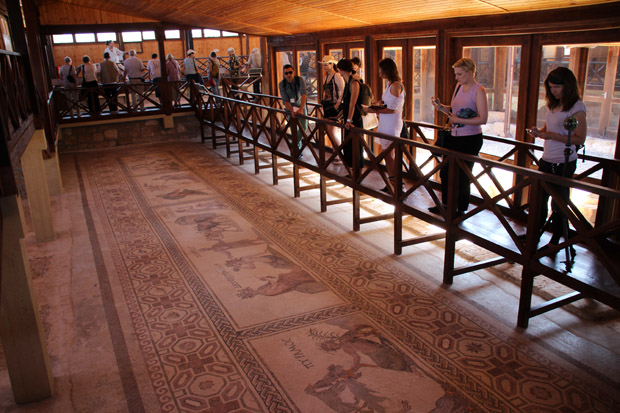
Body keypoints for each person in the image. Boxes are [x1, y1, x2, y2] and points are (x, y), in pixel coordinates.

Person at [527, 67, 587, 248]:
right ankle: (534, 235)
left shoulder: (577, 107)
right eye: (551, 87)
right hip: (547, 158)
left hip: (563, 161)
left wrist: (551, 136)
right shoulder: (555, 104)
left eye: (557, 87)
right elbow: (550, 127)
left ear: (567, 86)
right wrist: (539, 131)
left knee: (559, 204)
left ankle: (555, 241)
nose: (553, 91)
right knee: (539, 200)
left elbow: (579, 138)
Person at [430, 57, 488, 216]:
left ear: (470, 72)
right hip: (454, 136)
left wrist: (459, 120)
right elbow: (454, 111)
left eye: (459, 74)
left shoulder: (479, 91)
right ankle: (446, 205)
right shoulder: (458, 87)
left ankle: (460, 209)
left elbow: (483, 119)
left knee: (463, 175)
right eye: (456, 74)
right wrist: (441, 107)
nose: (456, 78)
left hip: (470, 138)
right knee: (446, 172)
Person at [363, 58, 405, 192]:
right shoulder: (389, 84)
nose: (379, 72)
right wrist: (378, 104)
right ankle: (392, 181)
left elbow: (392, 109)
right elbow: (387, 103)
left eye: (380, 70)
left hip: (391, 123)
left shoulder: (396, 85)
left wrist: (372, 110)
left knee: (389, 154)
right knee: (387, 154)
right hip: (386, 122)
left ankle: (396, 183)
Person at [337, 58, 364, 169]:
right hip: (349, 117)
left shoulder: (354, 83)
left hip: (354, 119)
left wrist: (349, 120)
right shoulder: (348, 82)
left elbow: (352, 104)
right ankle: (351, 170)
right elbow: (347, 103)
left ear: (342, 70)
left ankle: (357, 171)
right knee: (348, 146)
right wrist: (338, 116)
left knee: (355, 145)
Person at [278, 64, 307, 154]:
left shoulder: (300, 80)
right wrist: (291, 111)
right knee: (294, 130)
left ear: (294, 72)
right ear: (284, 74)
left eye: (290, 72)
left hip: (300, 106)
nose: (289, 75)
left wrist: (301, 108)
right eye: (286, 73)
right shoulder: (282, 84)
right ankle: (297, 151)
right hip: (290, 109)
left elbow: (303, 94)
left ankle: (294, 145)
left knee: (304, 127)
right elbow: (285, 100)